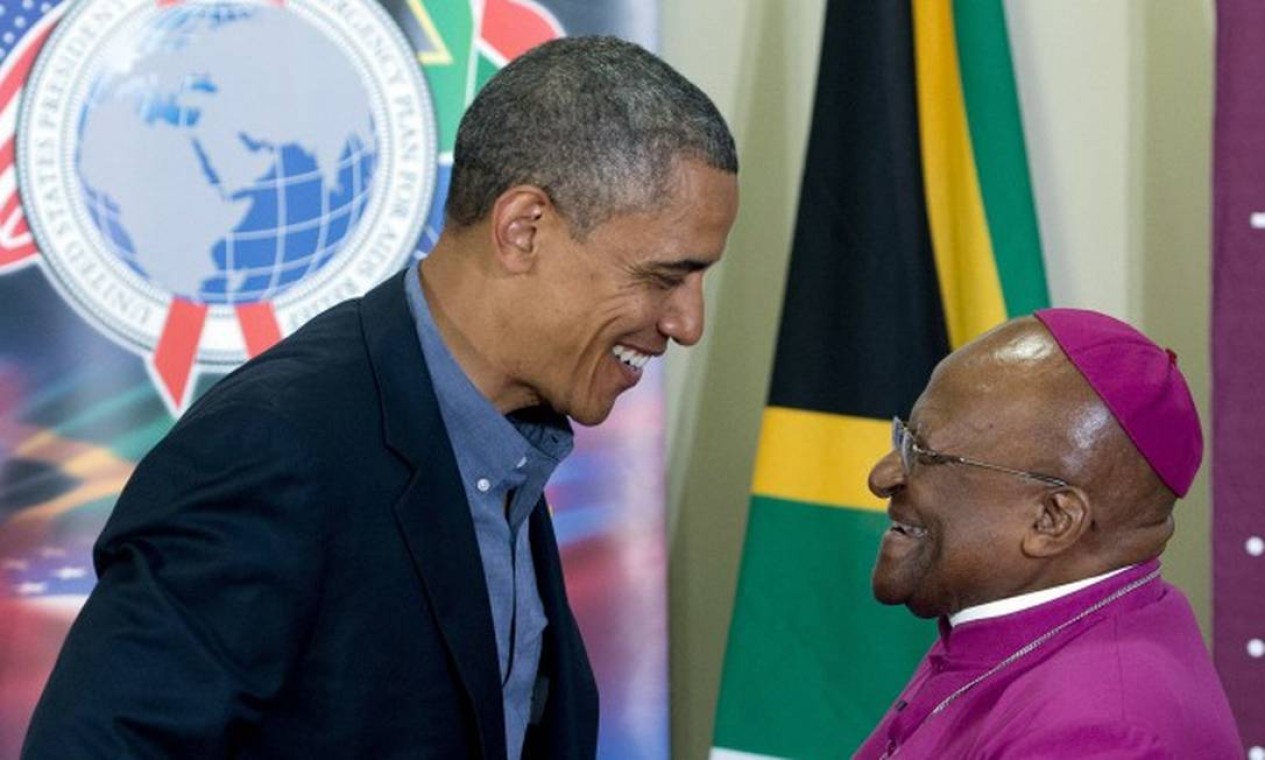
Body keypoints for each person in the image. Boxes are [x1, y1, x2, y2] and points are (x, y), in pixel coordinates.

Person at [22, 36, 739, 759]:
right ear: (524, 229)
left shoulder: (507, 444)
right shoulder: (273, 447)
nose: (687, 322)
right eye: (663, 276)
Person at [853, 309, 1241, 759]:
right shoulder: (1016, 613)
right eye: (905, 437)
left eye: (925, 453)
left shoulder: (1099, 734)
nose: (881, 477)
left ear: (1052, 520)